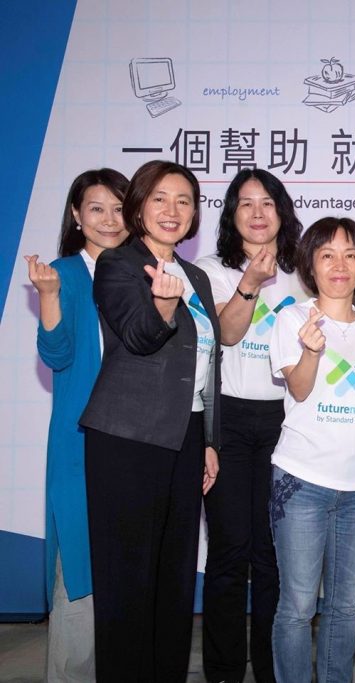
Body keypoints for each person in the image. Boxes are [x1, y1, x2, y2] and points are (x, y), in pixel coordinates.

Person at [79, 160, 221, 682]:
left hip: (186, 435)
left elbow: (208, 363)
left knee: (175, 576)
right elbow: (139, 337)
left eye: (184, 201)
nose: (172, 210)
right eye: (160, 198)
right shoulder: (117, 263)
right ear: (138, 206)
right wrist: (163, 305)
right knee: (127, 580)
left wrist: (208, 440)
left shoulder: (196, 276)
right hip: (128, 438)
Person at [197, 168, 307, 683]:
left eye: (268, 203)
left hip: (288, 421)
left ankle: (270, 668)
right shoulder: (211, 270)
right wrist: (250, 283)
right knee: (228, 549)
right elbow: (226, 334)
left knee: (272, 554)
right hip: (230, 418)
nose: (258, 213)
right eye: (246, 203)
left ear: (282, 212)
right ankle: (223, 670)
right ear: (231, 214)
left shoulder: (304, 273)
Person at [268, 217, 355, 683]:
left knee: (344, 607)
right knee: (298, 606)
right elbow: (299, 389)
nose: (340, 265)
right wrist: (312, 352)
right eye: (327, 255)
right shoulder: (293, 319)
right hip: (302, 482)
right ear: (310, 265)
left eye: (350, 255)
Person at [27, 168, 129, 682]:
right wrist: (48, 296)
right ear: (76, 215)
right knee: (78, 567)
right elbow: (57, 355)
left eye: (119, 208)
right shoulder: (64, 273)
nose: (109, 220)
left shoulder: (150, 273)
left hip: (137, 444)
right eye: (96, 209)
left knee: (128, 570)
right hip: (80, 442)